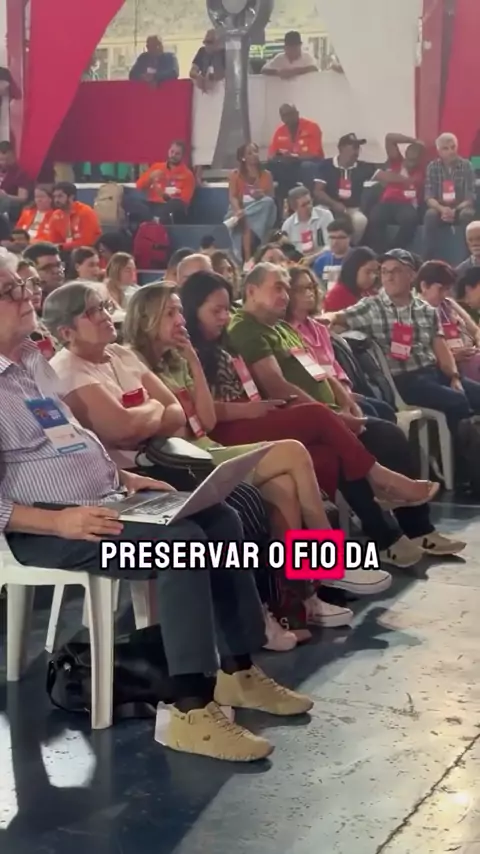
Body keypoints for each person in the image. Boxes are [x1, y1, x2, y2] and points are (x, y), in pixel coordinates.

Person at [0, 258, 312, 762]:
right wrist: (58, 520)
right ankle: (189, 708)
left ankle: (238, 669)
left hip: (106, 498)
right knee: (182, 545)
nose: (25, 296)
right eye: (10, 290)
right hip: (46, 526)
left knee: (221, 517)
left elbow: (73, 440)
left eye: (25, 285)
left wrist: (122, 477)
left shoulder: (33, 362)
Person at [122, 282, 390, 627]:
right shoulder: (134, 362)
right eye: (170, 313)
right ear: (147, 318)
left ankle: (297, 600)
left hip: (208, 447)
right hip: (183, 461)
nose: (180, 320)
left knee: (285, 488)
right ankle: (328, 563)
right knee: (293, 452)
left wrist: (192, 361)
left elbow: (206, 421)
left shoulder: (177, 359)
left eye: (180, 312)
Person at [183, 267, 463, 564]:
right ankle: (370, 516)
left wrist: (345, 400)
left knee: (333, 451)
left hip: (262, 415)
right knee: (336, 429)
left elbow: (320, 370)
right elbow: (224, 405)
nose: (224, 317)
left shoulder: (267, 330)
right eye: (279, 288)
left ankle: (333, 563)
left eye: (226, 309)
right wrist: (329, 415)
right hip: (230, 430)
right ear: (251, 291)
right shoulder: (224, 338)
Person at [330, 248, 480, 435]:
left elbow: (441, 348)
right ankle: (462, 451)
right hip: (404, 381)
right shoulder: (371, 307)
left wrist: (454, 377)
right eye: (384, 271)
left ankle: (466, 441)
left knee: (473, 394)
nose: (389, 277)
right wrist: (326, 320)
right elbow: (337, 317)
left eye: (396, 271)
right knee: (457, 401)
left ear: (411, 275)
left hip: (433, 372)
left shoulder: (426, 310)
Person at [288, 265, 396, 421]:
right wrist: (341, 398)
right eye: (300, 289)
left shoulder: (319, 328)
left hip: (341, 389)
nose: (309, 292)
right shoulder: (287, 331)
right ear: (289, 294)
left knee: (385, 410)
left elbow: (336, 367)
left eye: (311, 287)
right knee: (377, 420)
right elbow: (313, 374)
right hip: (321, 396)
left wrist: (345, 391)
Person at [415, 261, 480, 383]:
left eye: (447, 289)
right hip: (442, 369)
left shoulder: (449, 304)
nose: (445, 294)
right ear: (424, 286)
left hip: (469, 357)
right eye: (441, 289)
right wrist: (451, 357)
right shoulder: (414, 312)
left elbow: (475, 330)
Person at [365, 133, 425, 254]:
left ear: (420, 159)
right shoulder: (397, 162)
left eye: (414, 160)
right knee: (375, 217)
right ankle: (380, 253)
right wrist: (412, 140)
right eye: (409, 158)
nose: (410, 163)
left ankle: (395, 250)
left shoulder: (423, 170)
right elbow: (389, 138)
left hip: (406, 204)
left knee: (410, 219)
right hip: (387, 201)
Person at [314, 134, 377, 244]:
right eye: (353, 147)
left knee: (360, 220)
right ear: (341, 148)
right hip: (328, 205)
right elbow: (318, 191)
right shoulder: (326, 165)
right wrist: (334, 204)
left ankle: (349, 246)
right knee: (320, 215)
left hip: (351, 208)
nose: (356, 151)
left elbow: (384, 176)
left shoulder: (363, 167)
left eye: (358, 148)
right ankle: (326, 246)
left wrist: (404, 179)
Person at [423, 133, 476, 260]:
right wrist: (442, 209)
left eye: (453, 147)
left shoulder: (467, 165)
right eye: (446, 148)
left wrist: (454, 210)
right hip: (440, 207)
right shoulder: (432, 167)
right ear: (439, 151)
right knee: (430, 215)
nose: (451, 151)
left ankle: (468, 258)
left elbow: (470, 197)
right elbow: (429, 196)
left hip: (461, 206)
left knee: (467, 215)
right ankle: (429, 258)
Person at [225, 143, 276, 265]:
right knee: (244, 219)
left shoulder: (266, 175)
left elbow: (271, 197)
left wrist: (262, 195)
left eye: (255, 151)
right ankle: (247, 259)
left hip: (260, 208)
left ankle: (242, 217)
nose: (254, 155)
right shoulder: (235, 175)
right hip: (240, 207)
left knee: (268, 202)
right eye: (250, 153)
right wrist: (238, 210)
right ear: (243, 158)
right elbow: (232, 197)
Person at [267, 104, 324, 210]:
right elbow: (271, 155)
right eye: (284, 115)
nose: (287, 118)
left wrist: (295, 157)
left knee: (306, 166)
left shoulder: (312, 127)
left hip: (311, 164)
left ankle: (311, 203)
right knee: (272, 167)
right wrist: (279, 158)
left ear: (297, 114)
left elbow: (314, 154)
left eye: (290, 114)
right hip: (288, 167)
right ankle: (280, 208)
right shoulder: (279, 131)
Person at [136, 140, 195, 224]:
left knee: (176, 204)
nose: (173, 155)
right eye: (172, 152)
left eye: (177, 154)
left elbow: (185, 200)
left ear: (182, 156)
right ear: (168, 151)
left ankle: (156, 221)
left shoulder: (188, 175)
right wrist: (151, 177)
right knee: (134, 203)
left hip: (171, 207)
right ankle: (153, 221)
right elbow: (139, 186)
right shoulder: (157, 167)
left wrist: (164, 196)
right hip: (153, 205)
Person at [281, 186, 333, 258]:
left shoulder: (325, 216)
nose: (309, 206)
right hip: (299, 262)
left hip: (322, 259)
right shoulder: (287, 225)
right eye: (304, 205)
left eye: (309, 202)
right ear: (294, 208)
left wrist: (313, 257)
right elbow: (286, 252)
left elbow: (331, 245)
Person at [323, 247, 379, 312]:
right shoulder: (336, 296)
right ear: (353, 269)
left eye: (375, 272)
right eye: (368, 272)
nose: (372, 277)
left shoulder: (370, 292)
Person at [49, 183, 101, 251]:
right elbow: (54, 241)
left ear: (71, 197)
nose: (56, 200)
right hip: (65, 251)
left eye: (60, 196)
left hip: (87, 251)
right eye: (54, 197)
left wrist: (62, 246)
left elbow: (87, 242)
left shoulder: (85, 212)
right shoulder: (56, 215)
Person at [23, 241, 65, 308]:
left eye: (58, 265)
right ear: (32, 271)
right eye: (47, 268)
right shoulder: (30, 306)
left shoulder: (72, 296)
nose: (57, 271)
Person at [312, 218, 353, 286]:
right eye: (332, 237)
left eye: (340, 237)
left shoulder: (358, 259)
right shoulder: (321, 261)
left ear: (350, 238)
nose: (335, 242)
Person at [0, 140, 32, 222]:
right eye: (1, 159)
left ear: (14, 157)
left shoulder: (19, 174)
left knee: (4, 202)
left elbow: (23, 198)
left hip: (9, 206)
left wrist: (6, 196)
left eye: (7, 159)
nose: (4, 163)